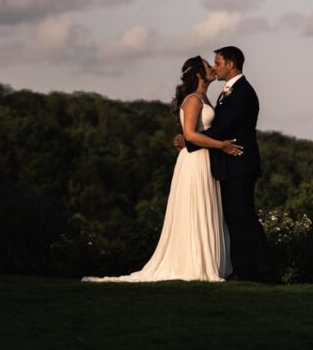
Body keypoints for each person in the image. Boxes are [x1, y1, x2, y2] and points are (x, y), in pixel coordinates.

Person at [82, 55, 241, 282]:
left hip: (205, 160)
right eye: (208, 66)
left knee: (206, 207)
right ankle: (193, 263)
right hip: (195, 161)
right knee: (195, 208)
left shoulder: (204, 97)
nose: (213, 69)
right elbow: (190, 134)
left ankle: (209, 262)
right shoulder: (193, 100)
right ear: (198, 74)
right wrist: (221, 145)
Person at [175, 45, 272, 281]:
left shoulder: (242, 93)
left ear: (230, 65)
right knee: (235, 218)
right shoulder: (226, 92)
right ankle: (243, 270)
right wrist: (192, 140)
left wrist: (190, 143)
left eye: (217, 63)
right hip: (227, 165)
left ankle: (265, 271)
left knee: (244, 217)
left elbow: (223, 128)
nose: (215, 67)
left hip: (239, 162)